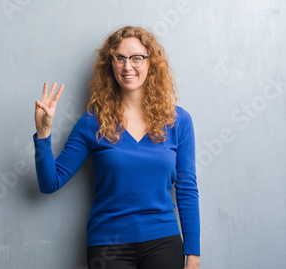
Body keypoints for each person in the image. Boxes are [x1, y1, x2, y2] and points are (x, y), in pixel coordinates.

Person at [33, 26, 200, 269]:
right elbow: (50, 183)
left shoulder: (179, 121)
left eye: (136, 58)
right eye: (119, 58)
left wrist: (193, 255)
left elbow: (187, 189)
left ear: (150, 62)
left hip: (163, 242)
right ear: (110, 64)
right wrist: (43, 132)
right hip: (108, 247)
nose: (127, 66)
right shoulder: (91, 123)